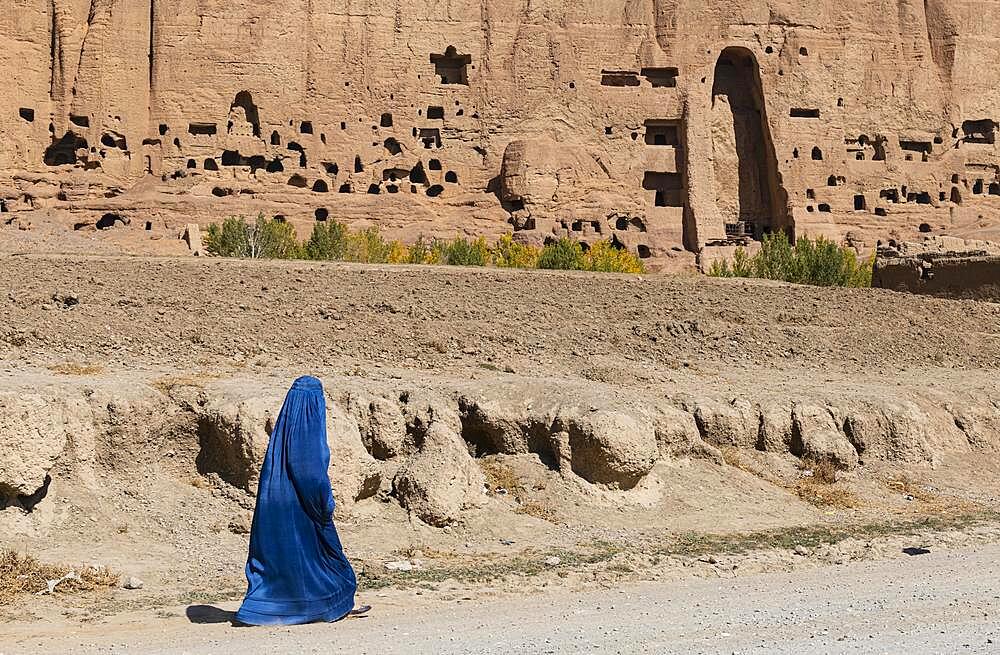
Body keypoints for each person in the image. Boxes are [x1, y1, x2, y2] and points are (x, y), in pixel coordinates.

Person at [235, 375, 362, 625]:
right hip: (300, 504)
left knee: (279, 561)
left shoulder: (283, 432)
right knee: (324, 559)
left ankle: (263, 610)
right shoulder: (306, 429)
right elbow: (309, 470)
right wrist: (324, 503)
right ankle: (332, 604)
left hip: (274, 501)